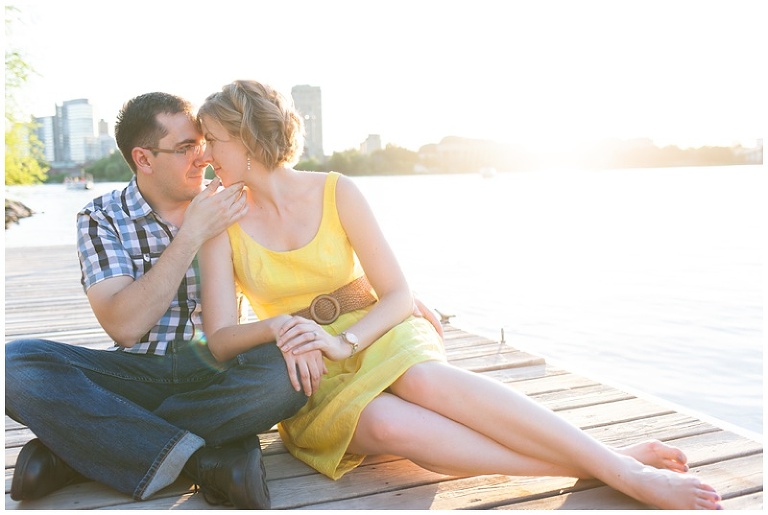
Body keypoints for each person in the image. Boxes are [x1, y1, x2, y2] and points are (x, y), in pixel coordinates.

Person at [195, 79, 723, 510]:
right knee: (382, 423)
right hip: (307, 370)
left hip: (375, 331)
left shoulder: (338, 191)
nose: (206, 155)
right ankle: (608, 464)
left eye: (213, 140)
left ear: (247, 138)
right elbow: (219, 340)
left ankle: (619, 469)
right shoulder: (221, 222)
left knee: (425, 380)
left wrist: (345, 341)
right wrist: (281, 328)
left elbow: (398, 294)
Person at [4, 92, 311, 509]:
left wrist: (369, 295)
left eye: (203, 144)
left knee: (287, 370)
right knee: (14, 365)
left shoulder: (238, 198)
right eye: (186, 148)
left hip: (220, 370)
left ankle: (79, 454)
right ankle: (205, 460)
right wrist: (191, 236)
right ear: (144, 159)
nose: (202, 158)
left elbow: (308, 269)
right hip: (134, 376)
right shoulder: (101, 218)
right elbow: (125, 326)